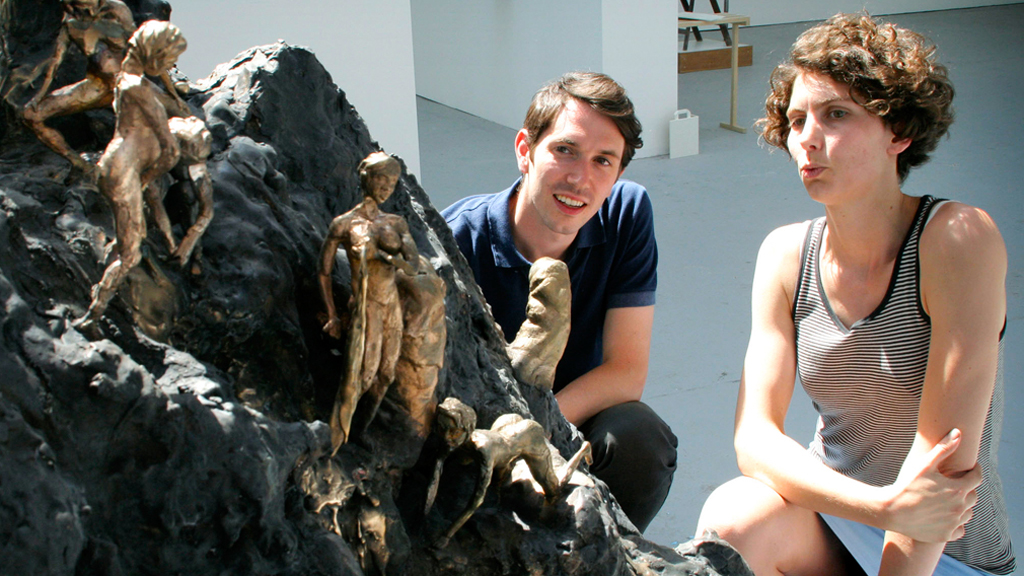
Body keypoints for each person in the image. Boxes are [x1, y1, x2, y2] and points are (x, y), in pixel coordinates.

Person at [695, 13, 1015, 576]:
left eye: (836, 114)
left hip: (948, 553)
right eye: (797, 120)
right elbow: (756, 440)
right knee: (734, 517)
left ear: (899, 132)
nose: (806, 138)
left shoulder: (957, 239)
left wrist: (900, 514)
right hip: (845, 519)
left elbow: (943, 467)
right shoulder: (786, 255)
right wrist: (881, 507)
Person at [442, 71, 677, 533]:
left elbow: (627, 370)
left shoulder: (626, 213)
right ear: (525, 150)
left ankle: (609, 551)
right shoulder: (456, 241)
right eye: (565, 149)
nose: (579, 178)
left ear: (618, 174)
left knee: (640, 439)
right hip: (481, 432)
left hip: (570, 417)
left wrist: (538, 430)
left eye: (603, 161)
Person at [75, 20, 187, 334]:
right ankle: (93, 316)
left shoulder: (125, 78)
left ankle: (104, 283)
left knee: (130, 235)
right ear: (154, 53)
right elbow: (171, 152)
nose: (169, 66)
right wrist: (148, 177)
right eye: (168, 58)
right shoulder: (140, 89)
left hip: (115, 163)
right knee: (130, 254)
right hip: (124, 172)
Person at [319, 152, 421, 453]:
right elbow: (323, 271)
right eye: (382, 179)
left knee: (386, 375)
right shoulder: (344, 224)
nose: (387, 187)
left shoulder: (395, 223)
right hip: (365, 306)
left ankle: (359, 431)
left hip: (391, 305)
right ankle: (334, 441)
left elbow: (413, 265)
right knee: (361, 376)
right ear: (367, 178)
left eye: (392, 182)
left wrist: (386, 257)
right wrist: (332, 315)